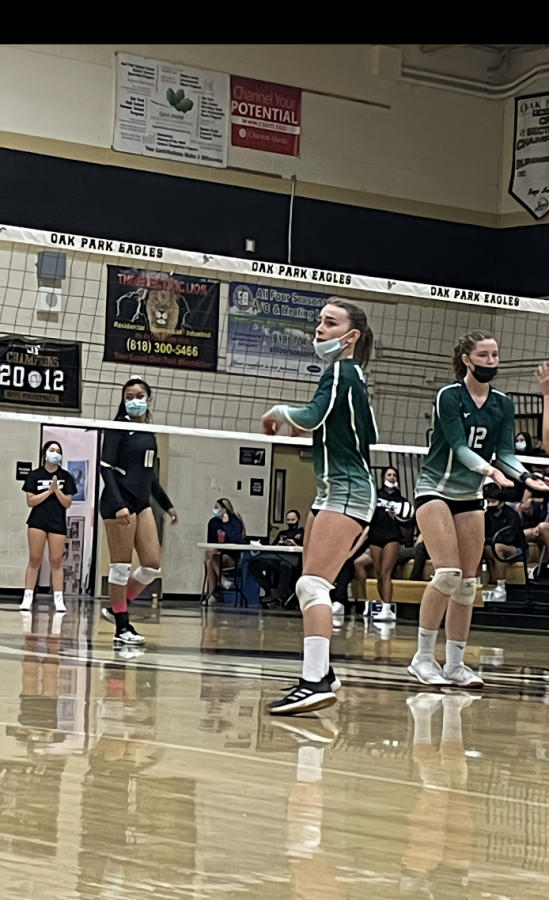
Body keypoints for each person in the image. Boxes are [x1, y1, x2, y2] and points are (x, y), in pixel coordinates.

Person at [409, 330, 549, 688]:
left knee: (469, 583)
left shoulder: (503, 403)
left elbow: (504, 452)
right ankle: (423, 658)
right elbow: (458, 446)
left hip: (470, 495)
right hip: (435, 490)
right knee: (447, 574)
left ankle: (455, 664)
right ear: (467, 359)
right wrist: (488, 471)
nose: (491, 362)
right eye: (484, 355)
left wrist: (524, 476)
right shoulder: (449, 396)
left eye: (495, 356)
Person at [261, 297, 378, 714]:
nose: (319, 329)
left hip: (348, 490)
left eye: (329, 323)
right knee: (309, 582)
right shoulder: (353, 377)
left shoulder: (343, 373)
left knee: (313, 585)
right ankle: (323, 673)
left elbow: (310, 416)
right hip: (333, 487)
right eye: (319, 321)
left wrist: (277, 412)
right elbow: (363, 434)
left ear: (350, 337)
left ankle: (313, 683)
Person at [100, 377, 177, 646]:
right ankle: (122, 628)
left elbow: (149, 476)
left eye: (139, 395)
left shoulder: (149, 433)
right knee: (120, 566)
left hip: (142, 502)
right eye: (129, 396)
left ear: (149, 398)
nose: (134, 400)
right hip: (117, 501)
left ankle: (116, 607)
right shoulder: (116, 428)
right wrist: (119, 504)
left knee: (151, 565)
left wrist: (166, 504)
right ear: (123, 400)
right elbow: (106, 468)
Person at [20, 441, 78, 613]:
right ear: (45, 453)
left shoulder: (66, 476)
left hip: (57, 521)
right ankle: (27, 597)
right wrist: (49, 491)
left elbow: (67, 503)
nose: (55, 453)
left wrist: (57, 489)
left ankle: (59, 599)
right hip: (37, 521)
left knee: (56, 561)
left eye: (58, 451)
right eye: (52, 450)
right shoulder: (34, 475)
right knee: (34, 560)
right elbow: (31, 501)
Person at [367, 465, 413, 622]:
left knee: (386, 572)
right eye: (389, 474)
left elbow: (408, 520)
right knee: (378, 573)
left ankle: (387, 607)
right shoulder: (375, 496)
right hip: (375, 536)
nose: (392, 477)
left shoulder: (402, 501)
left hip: (392, 536)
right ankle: (382, 604)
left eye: (394, 475)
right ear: (383, 477)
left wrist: (397, 518)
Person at [248, 510, 304, 608]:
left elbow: (305, 548)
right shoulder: (282, 533)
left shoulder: (302, 532)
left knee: (285, 566)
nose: (290, 522)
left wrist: (294, 543)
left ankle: (278, 598)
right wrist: (279, 543)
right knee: (253, 563)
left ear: (297, 519)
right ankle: (271, 589)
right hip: (276, 557)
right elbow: (272, 546)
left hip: (292, 560)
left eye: (293, 520)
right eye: (288, 520)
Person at [483, 483, 526, 602]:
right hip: (494, 548)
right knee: (482, 547)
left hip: (517, 550)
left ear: (501, 502)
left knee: (498, 547)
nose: (490, 504)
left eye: (493, 501)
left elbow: (508, 538)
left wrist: (490, 540)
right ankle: (475, 582)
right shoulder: (487, 515)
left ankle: (501, 587)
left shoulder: (512, 515)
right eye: (488, 501)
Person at [204, 498, 245, 604]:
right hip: (217, 554)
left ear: (224, 509)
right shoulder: (213, 522)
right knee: (210, 557)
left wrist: (226, 524)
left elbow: (235, 540)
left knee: (211, 559)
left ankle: (212, 594)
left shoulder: (235, 521)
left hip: (231, 556)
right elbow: (211, 541)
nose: (215, 510)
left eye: (217, 508)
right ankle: (222, 581)